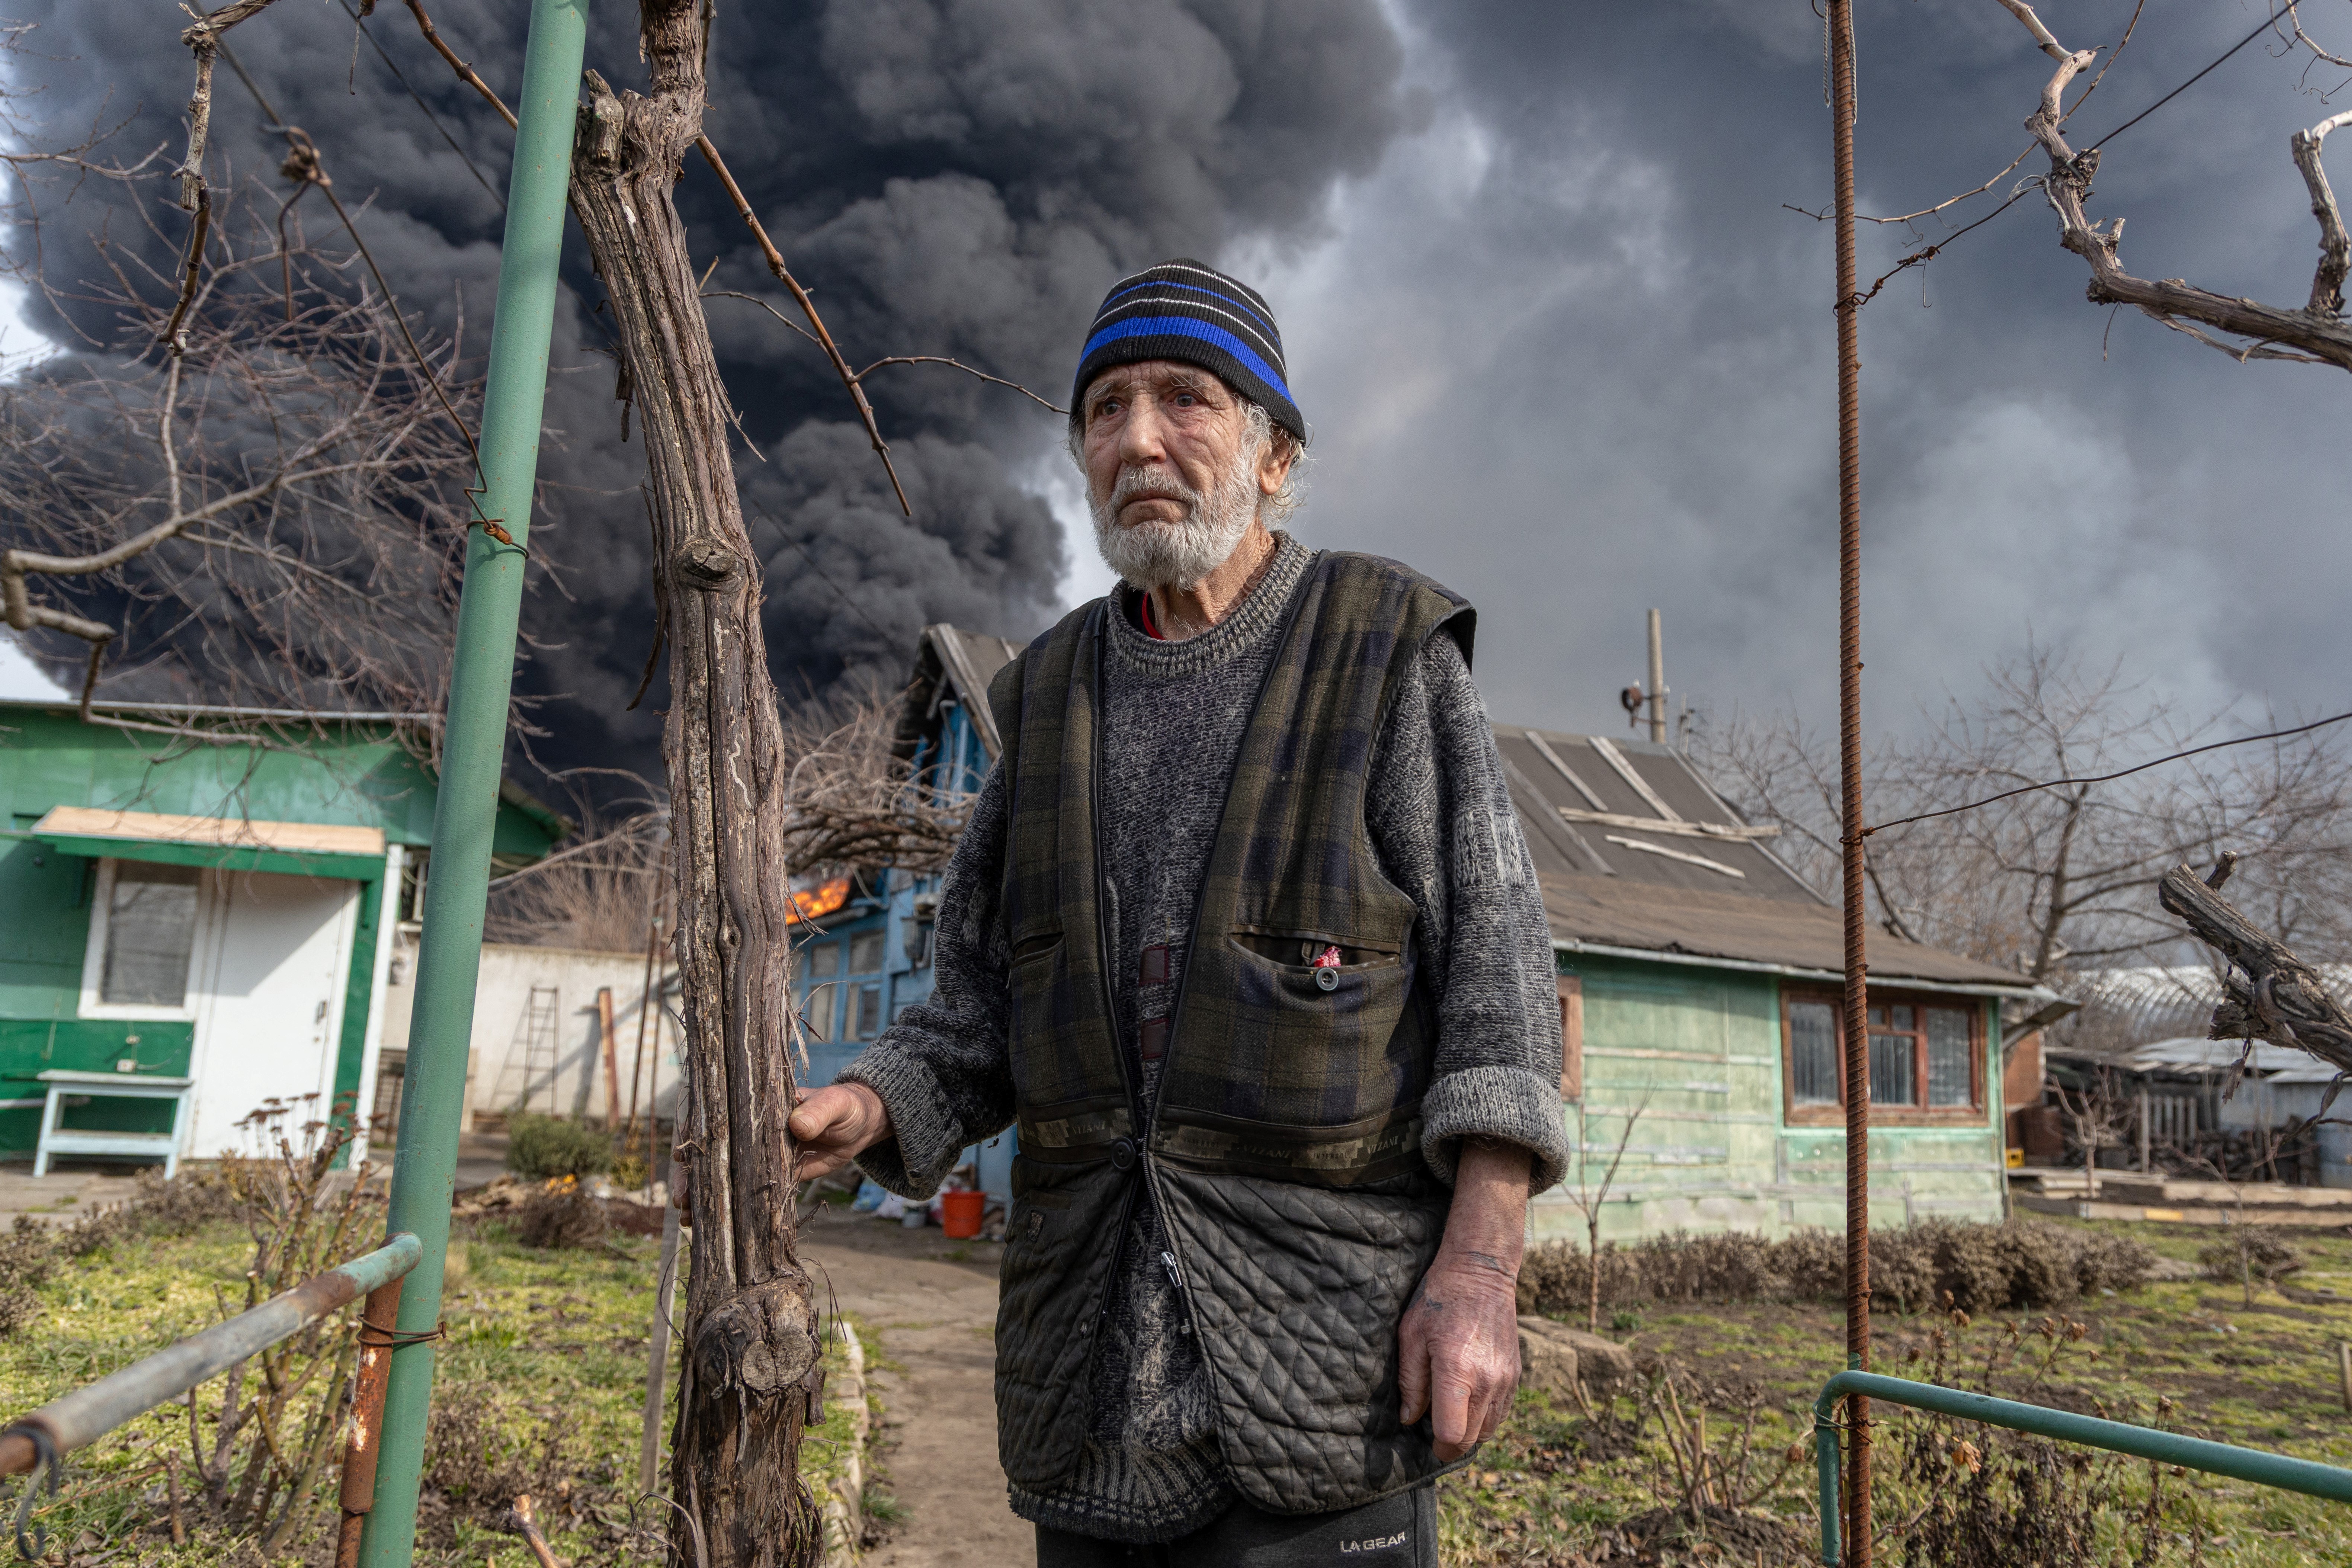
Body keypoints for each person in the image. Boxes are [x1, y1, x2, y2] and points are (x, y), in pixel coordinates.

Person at [788, 259, 1566, 1567]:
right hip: (1086, 1387)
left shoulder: (1383, 652)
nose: (1137, 437)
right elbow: (974, 1011)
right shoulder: (1042, 703)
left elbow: (1497, 990)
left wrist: (1479, 1277)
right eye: (1103, 410)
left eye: (1186, 400)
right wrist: (858, 1105)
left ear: (1273, 457)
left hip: (1327, 1366)